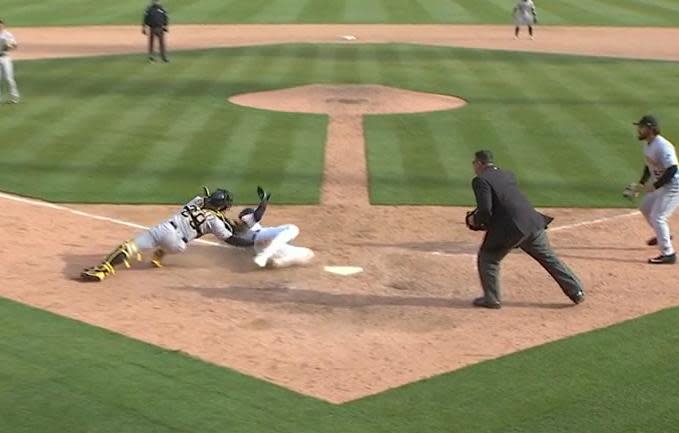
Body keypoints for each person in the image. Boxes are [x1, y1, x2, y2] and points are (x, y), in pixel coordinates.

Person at [465, 150, 584, 309]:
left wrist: (475, 221)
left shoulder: (480, 180)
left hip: (512, 228)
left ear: (479, 163)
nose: (474, 167)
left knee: (488, 258)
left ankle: (491, 299)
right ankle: (576, 291)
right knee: (548, 257)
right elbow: (505, 201)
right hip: (532, 221)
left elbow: (486, 210)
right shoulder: (507, 174)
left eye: (474, 163)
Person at [81, 187, 235, 281]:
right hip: (178, 246)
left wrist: (209, 200)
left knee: (129, 247)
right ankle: (160, 254)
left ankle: (102, 271)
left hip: (165, 231)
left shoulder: (196, 201)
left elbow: (203, 200)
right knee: (189, 234)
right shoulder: (216, 222)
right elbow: (231, 238)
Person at [623, 115, 679, 264]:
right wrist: (641, 184)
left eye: (641, 127)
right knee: (645, 207)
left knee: (658, 217)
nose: (639, 130)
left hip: (673, 186)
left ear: (651, 129)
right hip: (661, 185)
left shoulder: (663, 146)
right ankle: (664, 235)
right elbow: (649, 166)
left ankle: (669, 254)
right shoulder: (648, 144)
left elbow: (672, 169)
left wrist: (654, 186)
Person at [225, 186, 315, 268]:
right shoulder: (246, 219)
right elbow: (258, 215)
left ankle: (279, 261)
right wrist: (264, 201)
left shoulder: (239, 228)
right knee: (292, 228)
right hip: (261, 237)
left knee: (308, 253)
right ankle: (264, 257)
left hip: (261, 247)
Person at [0, 19, 20, 104]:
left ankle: (14, 96)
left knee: (9, 78)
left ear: (3, 26)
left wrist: (9, 45)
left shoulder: (7, 35)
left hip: (5, 58)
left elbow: (15, 45)